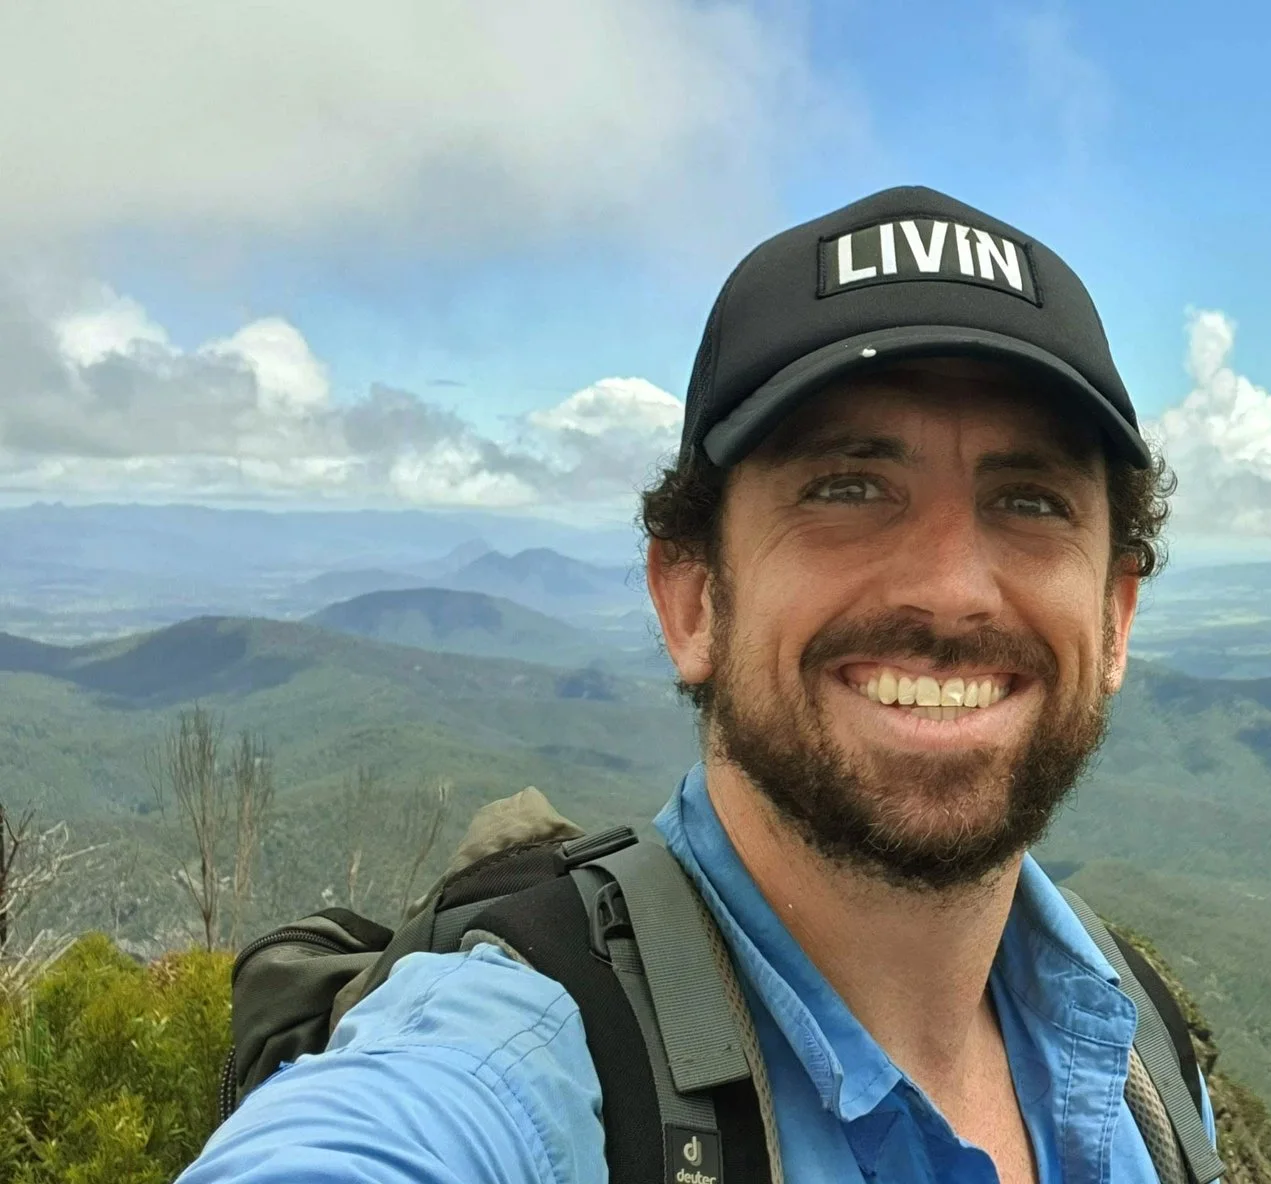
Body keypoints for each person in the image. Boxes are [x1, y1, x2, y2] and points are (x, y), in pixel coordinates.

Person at [182, 185, 1206, 1184]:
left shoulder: (1141, 1054)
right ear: (692, 600)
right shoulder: (524, 1055)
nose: (948, 587)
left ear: (1115, 615)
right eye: (847, 488)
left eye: (1029, 500)